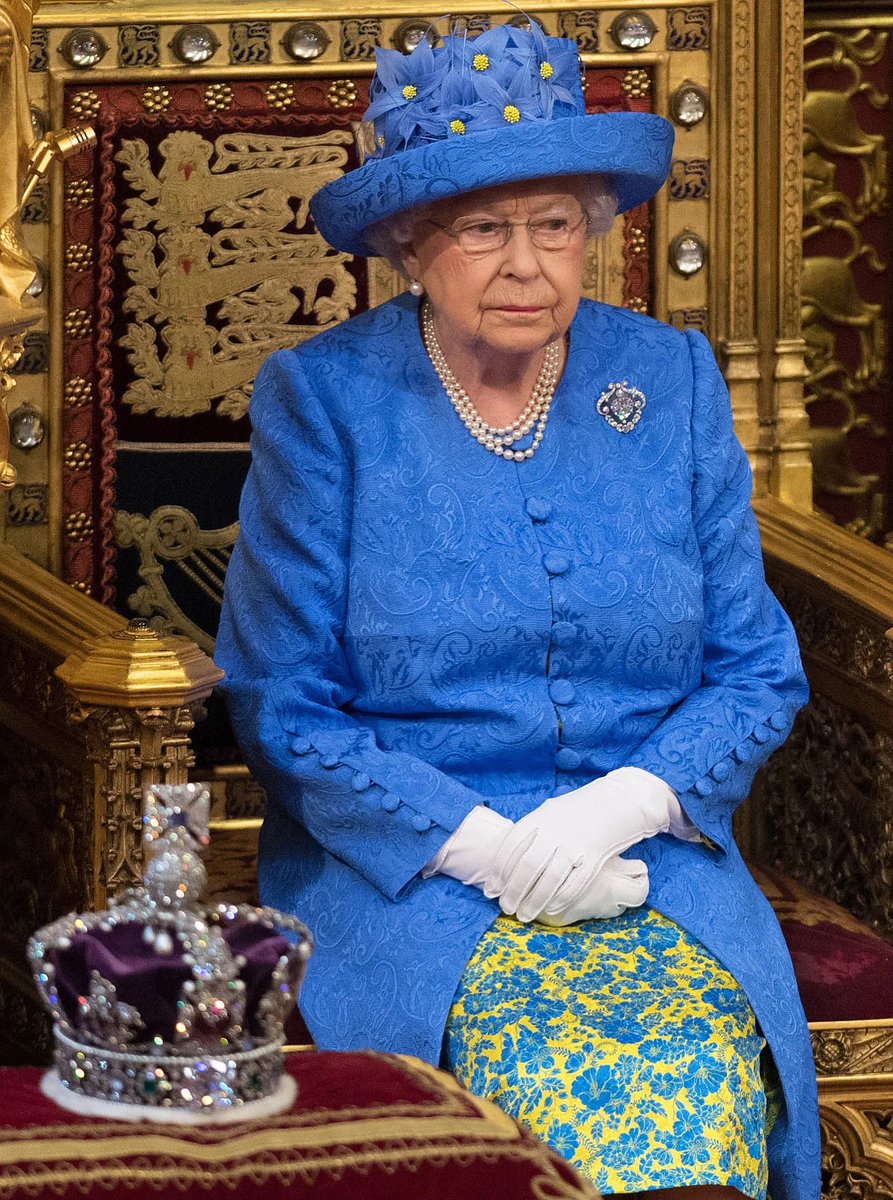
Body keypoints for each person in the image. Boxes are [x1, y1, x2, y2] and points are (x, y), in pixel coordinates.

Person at [216, 21, 820, 1200]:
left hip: (654, 865)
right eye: (482, 229)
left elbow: (755, 667)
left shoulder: (672, 380)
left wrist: (622, 806)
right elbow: (281, 706)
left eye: (555, 225)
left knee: (691, 1069)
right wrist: (485, 847)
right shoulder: (323, 402)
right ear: (408, 243)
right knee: (541, 1078)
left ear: (593, 228)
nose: (526, 265)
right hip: (413, 876)